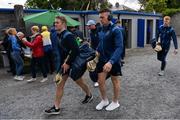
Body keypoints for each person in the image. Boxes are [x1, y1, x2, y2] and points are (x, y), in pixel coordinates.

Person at [45, 16, 93, 114]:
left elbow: (76, 50)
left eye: (57, 22)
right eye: (55, 23)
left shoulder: (68, 35)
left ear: (63, 24)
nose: (55, 24)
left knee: (79, 81)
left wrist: (67, 62)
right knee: (59, 85)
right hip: (65, 64)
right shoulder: (59, 35)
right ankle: (56, 107)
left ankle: (89, 95)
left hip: (70, 63)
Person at [95, 9, 123, 111]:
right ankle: (104, 100)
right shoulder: (100, 29)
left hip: (113, 60)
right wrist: (97, 50)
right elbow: (101, 42)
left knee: (115, 81)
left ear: (109, 17)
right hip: (102, 59)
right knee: (100, 81)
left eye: (102, 17)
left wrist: (111, 62)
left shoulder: (116, 30)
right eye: (100, 17)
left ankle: (115, 102)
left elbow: (119, 47)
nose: (100, 19)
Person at [86, 20, 100, 87]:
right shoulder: (90, 32)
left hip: (99, 51)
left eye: (89, 26)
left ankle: (99, 78)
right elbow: (91, 41)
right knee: (92, 65)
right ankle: (95, 80)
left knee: (99, 65)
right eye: (88, 26)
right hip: (93, 51)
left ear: (93, 25)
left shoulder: (99, 30)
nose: (88, 27)